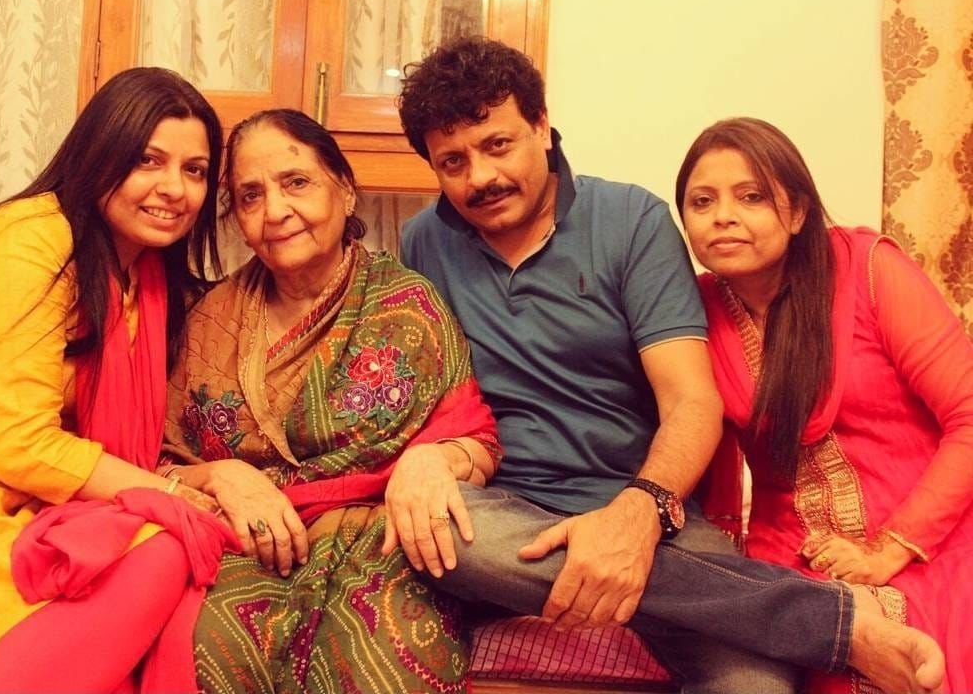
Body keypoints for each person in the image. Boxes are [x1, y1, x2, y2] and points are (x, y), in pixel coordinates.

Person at [395, 36, 945, 694]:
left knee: (757, 686)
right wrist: (427, 459)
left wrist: (637, 514)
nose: (480, 176)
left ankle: (751, 608)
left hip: (650, 512)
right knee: (447, 535)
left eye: (497, 145)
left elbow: (691, 400)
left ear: (541, 127)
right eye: (452, 161)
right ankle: (827, 622)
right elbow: (428, 396)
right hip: (502, 512)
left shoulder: (630, 220)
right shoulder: (424, 243)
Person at [0, 67, 236, 693]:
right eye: (148, 160)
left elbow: (119, 451)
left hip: (25, 501)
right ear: (99, 154)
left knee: (171, 563)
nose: (174, 188)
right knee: (165, 548)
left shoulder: (145, 277)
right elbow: (21, 444)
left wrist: (207, 480)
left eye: (194, 170)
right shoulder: (29, 240)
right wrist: (178, 497)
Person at [157, 108, 500, 694]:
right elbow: (163, 461)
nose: (275, 211)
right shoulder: (211, 321)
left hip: (386, 542)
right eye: (250, 196)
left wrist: (434, 459)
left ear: (344, 190)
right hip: (246, 544)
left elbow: (476, 439)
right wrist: (221, 475)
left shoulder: (408, 305)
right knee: (212, 651)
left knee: (384, 660)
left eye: (296, 182)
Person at [676, 116, 973, 693]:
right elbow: (701, 442)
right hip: (792, 554)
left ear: (797, 212)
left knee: (920, 647)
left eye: (751, 197)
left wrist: (889, 550)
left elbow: (968, 416)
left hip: (928, 536)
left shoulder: (869, 269)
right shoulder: (693, 308)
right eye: (701, 201)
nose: (722, 216)